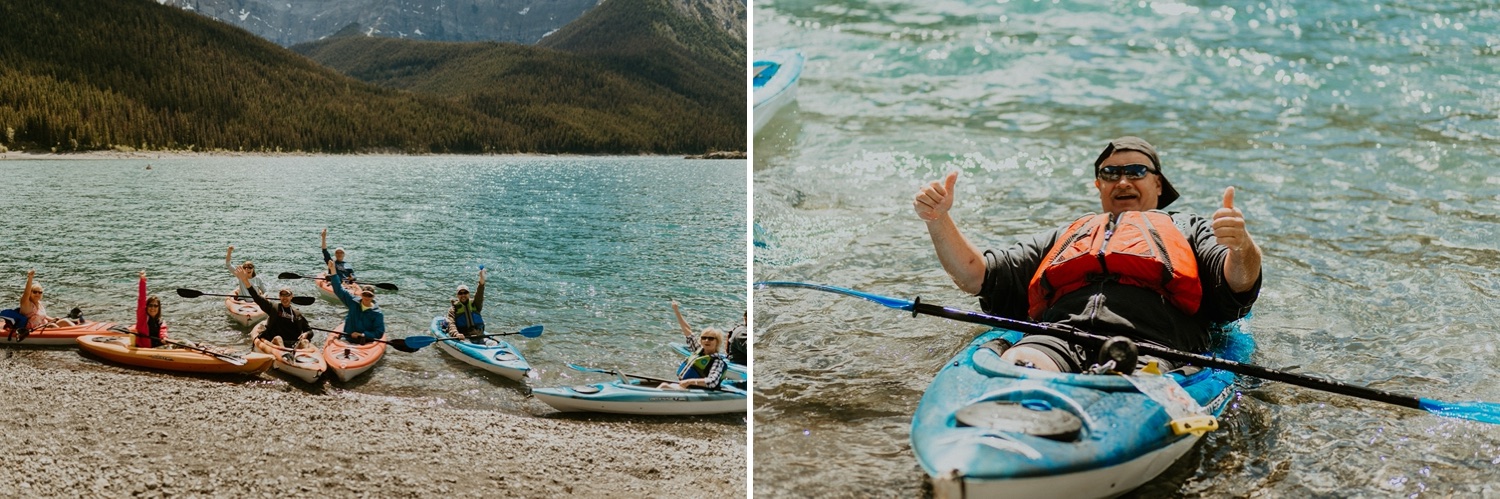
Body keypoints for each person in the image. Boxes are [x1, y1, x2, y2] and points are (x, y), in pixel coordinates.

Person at [912, 136, 1263, 373]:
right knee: (1021, 361)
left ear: (1158, 184)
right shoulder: (1068, 235)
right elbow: (974, 275)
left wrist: (1242, 246)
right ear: (1099, 185)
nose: (1123, 181)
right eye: (1110, 173)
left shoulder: (1189, 228)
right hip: (1058, 338)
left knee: (1130, 383)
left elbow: (1238, 282)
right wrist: (938, 219)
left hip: (1155, 346)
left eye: (1137, 171)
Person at [233, 264, 311, 349]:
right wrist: (245, 281)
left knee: (305, 341)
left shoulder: (297, 313)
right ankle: (285, 355)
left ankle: (302, 357)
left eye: (287, 295)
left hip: (292, 343)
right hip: (276, 343)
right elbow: (256, 297)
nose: (284, 298)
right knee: (278, 338)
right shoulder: (273, 307)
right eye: (282, 295)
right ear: (279, 297)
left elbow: (309, 330)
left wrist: (306, 334)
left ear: (291, 296)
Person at [326, 259, 384, 345]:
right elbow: (338, 289)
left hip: (365, 341)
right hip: (347, 337)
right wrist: (333, 271)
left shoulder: (377, 314)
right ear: (361, 294)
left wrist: (363, 334)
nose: (366, 297)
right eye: (365, 294)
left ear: (373, 297)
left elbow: (379, 333)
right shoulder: (353, 302)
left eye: (369, 295)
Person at [660, 328, 728, 390]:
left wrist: (689, 382)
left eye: (711, 338)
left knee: (664, 386)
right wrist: (677, 314)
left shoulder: (717, 361)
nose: (707, 340)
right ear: (701, 341)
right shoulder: (698, 351)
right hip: (686, 386)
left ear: (717, 342)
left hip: (698, 390)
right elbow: (688, 334)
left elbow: (712, 382)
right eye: (704, 338)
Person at [444, 268, 486, 343]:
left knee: (492, 343)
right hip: (465, 337)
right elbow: (451, 324)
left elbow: (480, 294)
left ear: (469, 294)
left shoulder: (475, 304)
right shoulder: (453, 309)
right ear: (457, 295)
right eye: (460, 293)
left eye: (465, 293)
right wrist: (456, 334)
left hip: (479, 334)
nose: (463, 295)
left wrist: (482, 280)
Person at [133, 271, 168, 348]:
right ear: (147, 307)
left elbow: (163, 332)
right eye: (150, 305)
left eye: (155, 306)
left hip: (159, 347)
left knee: (185, 343)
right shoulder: (143, 318)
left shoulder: (161, 322)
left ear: (159, 308)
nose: (153, 308)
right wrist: (143, 281)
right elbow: (142, 299)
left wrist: (164, 338)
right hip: (148, 349)